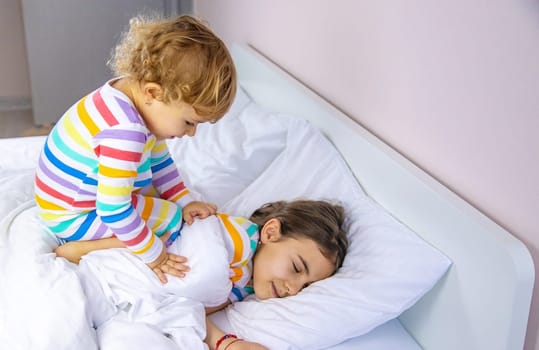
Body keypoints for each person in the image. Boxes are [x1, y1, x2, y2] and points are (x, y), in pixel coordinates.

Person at [33, 14, 237, 283]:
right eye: (189, 122)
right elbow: (114, 210)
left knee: (166, 201)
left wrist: (186, 199)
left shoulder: (130, 94)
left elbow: (160, 162)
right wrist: (155, 254)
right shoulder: (126, 131)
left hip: (62, 202)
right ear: (154, 93)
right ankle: (80, 250)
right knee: (171, 221)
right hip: (74, 218)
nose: (191, 133)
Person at [56, 199, 349, 350]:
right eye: (297, 269)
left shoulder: (246, 286)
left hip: (138, 306)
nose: (293, 288)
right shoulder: (230, 236)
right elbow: (161, 237)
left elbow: (190, 307)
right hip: (112, 274)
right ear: (271, 232)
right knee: (62, 322)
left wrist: (227, 343)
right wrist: (87, 248)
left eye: (307, 285)